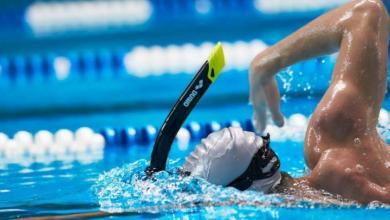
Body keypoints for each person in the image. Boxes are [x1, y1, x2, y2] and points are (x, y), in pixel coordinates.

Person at [184, 0, 390, 204]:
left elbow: (367, 12)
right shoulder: (329, 152)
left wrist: (267, 61)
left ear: (243, 196)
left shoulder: (337, 145)